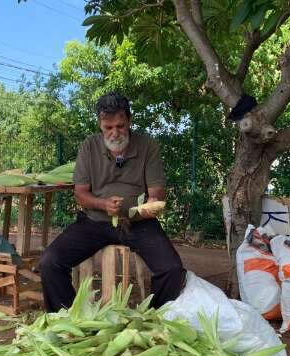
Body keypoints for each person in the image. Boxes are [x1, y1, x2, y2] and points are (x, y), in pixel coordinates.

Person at [39, 91, 186, 312]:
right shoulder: (89, 147)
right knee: (49, 262)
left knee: (172, 269)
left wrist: (150, 205)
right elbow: (80, 194)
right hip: (95, 222)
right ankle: (67, 319)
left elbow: (157, 193)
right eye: (108, 128)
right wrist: (103, 204)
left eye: (120, 126)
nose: (115, 133)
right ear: (100, 124)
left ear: (129, 121)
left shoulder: (147, 146)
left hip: (138, 223)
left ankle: (154, 319)